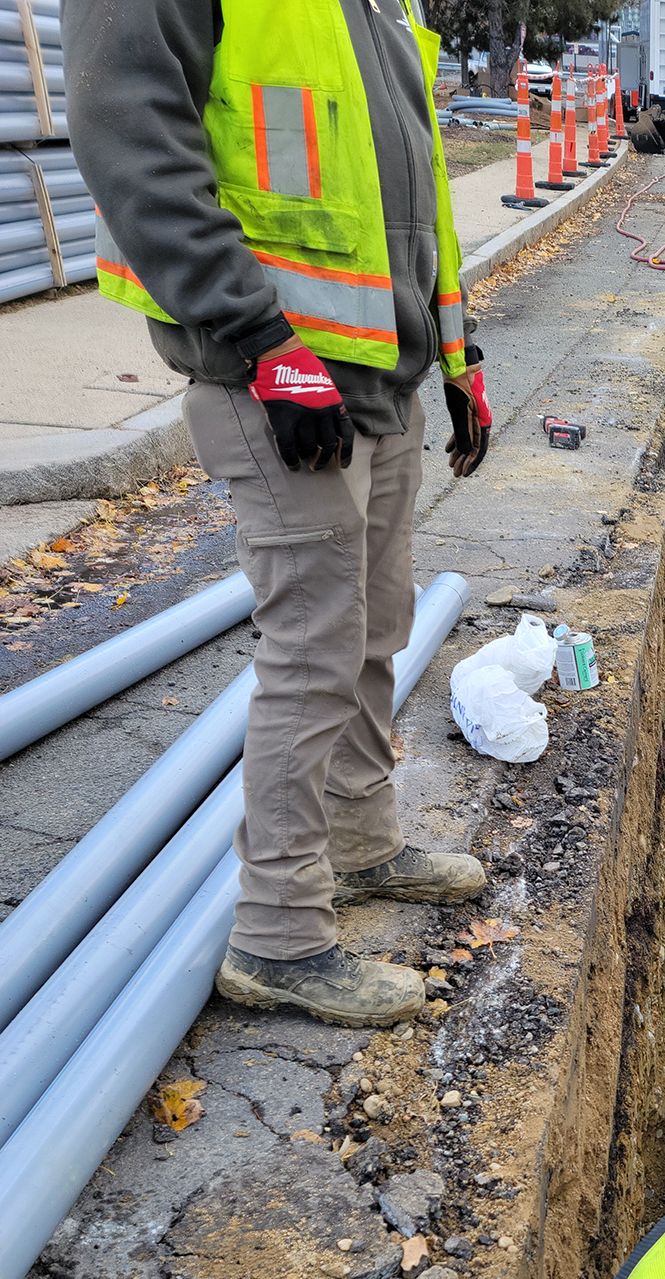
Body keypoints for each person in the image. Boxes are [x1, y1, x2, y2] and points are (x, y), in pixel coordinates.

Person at [65, 0, 497, 1029]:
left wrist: (458, 352)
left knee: (375, 626)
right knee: (313, 647)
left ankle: (358, 841)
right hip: (275, 373)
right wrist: (261, 339)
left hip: (381, 374)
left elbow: (410, 183)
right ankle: (277, 934)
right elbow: (131, 133)